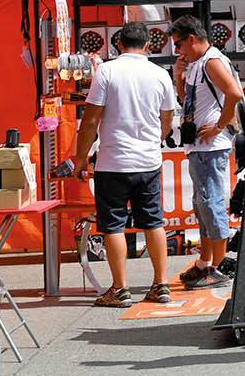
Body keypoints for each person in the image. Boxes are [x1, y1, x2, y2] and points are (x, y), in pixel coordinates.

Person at [74, 21, 175, 307]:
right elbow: (166, 118)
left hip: (113, 161)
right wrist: (156, 138)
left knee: (113, 226)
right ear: (148, 46)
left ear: (118, 44)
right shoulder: (159, 74)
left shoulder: (107, 70)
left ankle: (120, 289)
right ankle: (161, 284)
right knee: (153, 222)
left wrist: (81, 157)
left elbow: (91, 119)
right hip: (148, 160)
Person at [170, 15, 244, 290]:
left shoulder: (211, 61)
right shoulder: (199, 63)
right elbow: (185, 100)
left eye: (179, 44)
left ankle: (218, 264)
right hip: (201, 146)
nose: (178, 51)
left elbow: (235, 93)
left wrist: (219, 126)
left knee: (210, 204)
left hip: (211, 147)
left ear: (191, 38)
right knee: (202, 205)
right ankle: (206, 262)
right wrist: (179, 77)